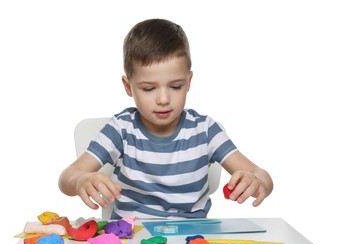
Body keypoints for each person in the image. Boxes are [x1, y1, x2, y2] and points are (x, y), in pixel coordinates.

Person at [58, 18, 273, 219]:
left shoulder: (206, 130)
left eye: (175, 86)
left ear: (189, 82)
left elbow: (259, 174)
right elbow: (68, 176)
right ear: (128, 87)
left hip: (191, 242)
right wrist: (80, 180)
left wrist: (257, 181)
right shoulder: (121, 129)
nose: (163, 99)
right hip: (131, 241)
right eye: (149, 88)